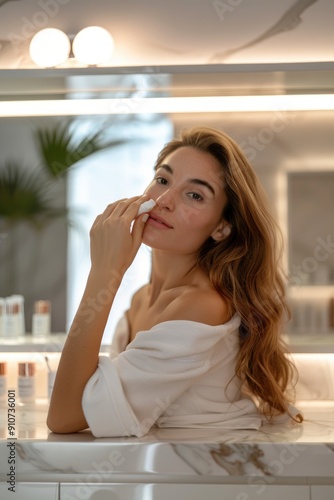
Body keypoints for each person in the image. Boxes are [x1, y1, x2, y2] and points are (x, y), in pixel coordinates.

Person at [47, 126, 302, 437]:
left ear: (221, 227)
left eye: (194, 195)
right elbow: (86, 398)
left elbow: (64, 417)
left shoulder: (203, 306)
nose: (164, 200)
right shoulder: (142, 299)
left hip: (207, 478)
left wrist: (104, 272)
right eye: (162, 180)